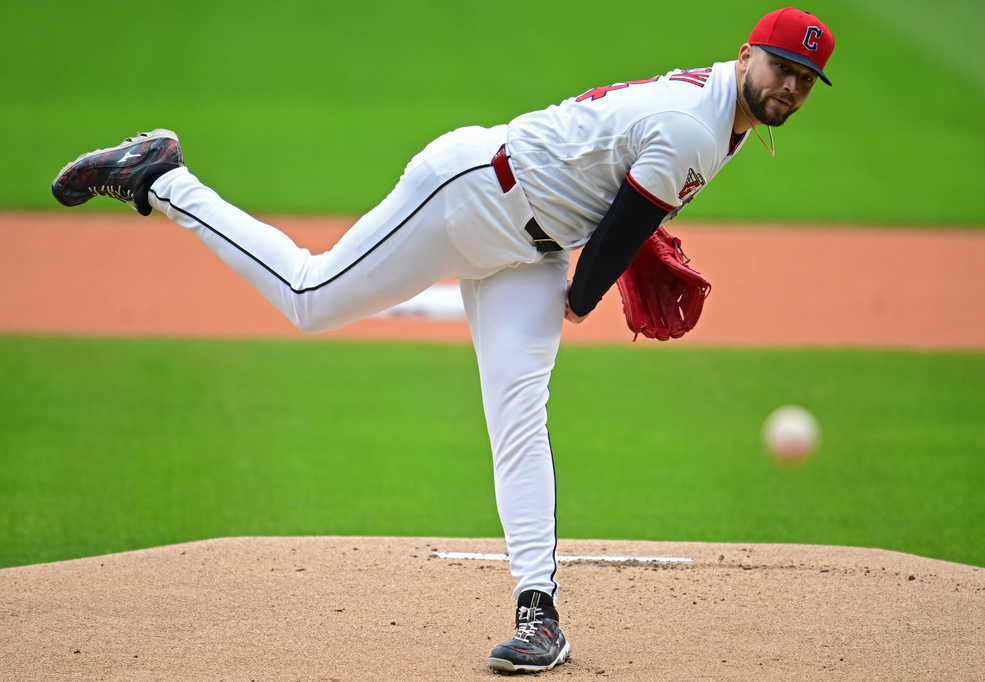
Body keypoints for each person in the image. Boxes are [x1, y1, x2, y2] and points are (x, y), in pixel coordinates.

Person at [52, 7, 834, 673]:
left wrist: (617, 244)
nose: (790, 88)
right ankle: (161, 177)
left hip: (529, 245)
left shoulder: (721, 110)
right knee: (310, 297)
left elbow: (620, 202)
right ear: (746, 56)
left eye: (805, 81)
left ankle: (540, 615)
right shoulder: (697, 125)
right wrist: (602, 278)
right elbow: (599, 269)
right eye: (781, 68)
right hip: (469, 196)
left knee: (520, 414)